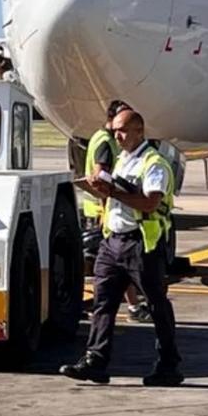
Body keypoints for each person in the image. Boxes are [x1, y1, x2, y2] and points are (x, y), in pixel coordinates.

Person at [61, 109, 183, 386]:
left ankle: (169, 365)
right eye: (115, 130)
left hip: (141, 244)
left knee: (156, 304)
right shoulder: (123, 159)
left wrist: (113, 191)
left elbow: (150, 203)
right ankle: (95, 361)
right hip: (113, 241)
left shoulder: (153, 163)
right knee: (102, 303)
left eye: (124, 130)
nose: (118, 135)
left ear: (140, 132)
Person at [76, 100, 152, 324]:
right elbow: (100, 173)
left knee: (109, 269)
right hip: (104, 210)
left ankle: (132, 306)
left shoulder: (101, 137)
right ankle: (133, 307)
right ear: (113, 121)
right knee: (110, 268)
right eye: (121, 126)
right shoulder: (105, 142)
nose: (122, 133)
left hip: (104, 208)